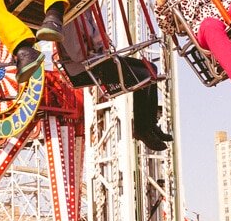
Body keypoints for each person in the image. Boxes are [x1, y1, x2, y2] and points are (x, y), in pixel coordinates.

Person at [58, 13, 172, 151]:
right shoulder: (69, 20)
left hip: (98, 59)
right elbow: (77, 54)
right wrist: (97, 44)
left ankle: (150, 124)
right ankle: (142, 129)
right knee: (143, 76)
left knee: (151, 68)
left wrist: (99, 43)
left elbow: (99, 38)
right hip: (84, 67)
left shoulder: (85, 13)